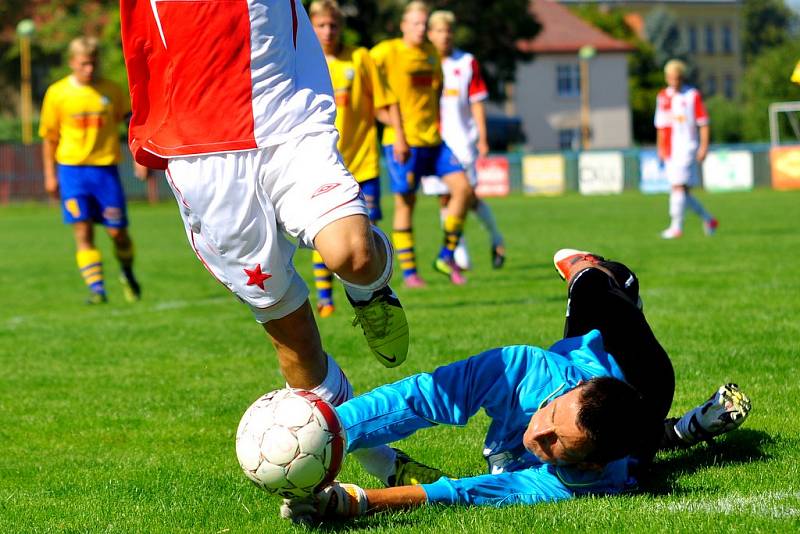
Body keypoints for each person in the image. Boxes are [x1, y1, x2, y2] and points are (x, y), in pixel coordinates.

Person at [120, 0, 411, 483]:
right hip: (201, 152)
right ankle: (383, 463)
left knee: (353, 253)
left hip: (286, 117)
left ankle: (370, 291)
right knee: (294, 337)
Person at [281, 248, 751, 520]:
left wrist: (354, 503)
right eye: (548, 418)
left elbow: (467, 492)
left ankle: (683, 430)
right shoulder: (525, 371)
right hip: (611, 359)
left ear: (586, 468)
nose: (536, 434)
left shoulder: (584, 481)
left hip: (641, 396)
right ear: (565, 393)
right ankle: (599, 271)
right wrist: (327, 431)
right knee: (593, 285)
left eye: (554, 445)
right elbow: (423, 397)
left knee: (640, 455)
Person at [308, 0, 409, 318]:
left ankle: (371, 294)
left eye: (333, 25)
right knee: (319, 230)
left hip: (362, 162)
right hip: (322, 163)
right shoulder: (305, 61)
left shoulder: (360, 58)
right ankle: (325, 298)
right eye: (321, 25)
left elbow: (385, 101)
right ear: (311, 26)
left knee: (367, 231)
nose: (328, 31)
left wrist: (401, 135)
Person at [370, 1, 476, 287]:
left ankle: (446, 254)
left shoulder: (431, 54)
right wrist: (387, 120)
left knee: (463, 190)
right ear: (403, 25)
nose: (420, 29)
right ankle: (410, 274)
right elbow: (365, 83)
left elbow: (436, 92)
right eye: (415, 23)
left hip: (433, 141)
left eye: (424, 24)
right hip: (402, 143)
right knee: (406, 204)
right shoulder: (386, 52)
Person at [39, 36, 144, 305]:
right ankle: (97, 290)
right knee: (82, 231)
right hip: (71, 172)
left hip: (105, 172)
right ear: (72, 63)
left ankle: (127, 272)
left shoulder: (112, 90)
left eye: (93, 63)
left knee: (117, 233)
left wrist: (139, 158)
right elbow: (50, 138)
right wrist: (50, 176)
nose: (89, 69)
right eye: (84, 64)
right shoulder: (57, 93)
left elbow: (133, 125)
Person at [426, 10, 506, 271]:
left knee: (467, 196)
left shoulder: (466, 62)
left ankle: (495, 237)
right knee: (444, 198)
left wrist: (482, 138)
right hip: (433, 141)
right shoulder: (423, 61)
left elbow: (477, 102)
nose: (444, 36)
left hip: (462, 141)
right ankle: (458, 256)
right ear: (430, 34)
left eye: (448, 31)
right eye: (438, 31)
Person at [655, 59, 718, 239]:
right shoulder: (662, 97)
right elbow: (660, 125)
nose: (674, 82)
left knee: (677, 187)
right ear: (667, 78)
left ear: (682, 78)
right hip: (669, 149)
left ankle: (676, 227)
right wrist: (660, 148)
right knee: (682, 191)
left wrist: (703, 146)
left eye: (677, 78)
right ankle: (709, 219)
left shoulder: (692, 95)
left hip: (686, 146)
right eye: (671, 78)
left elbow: (703, 123)